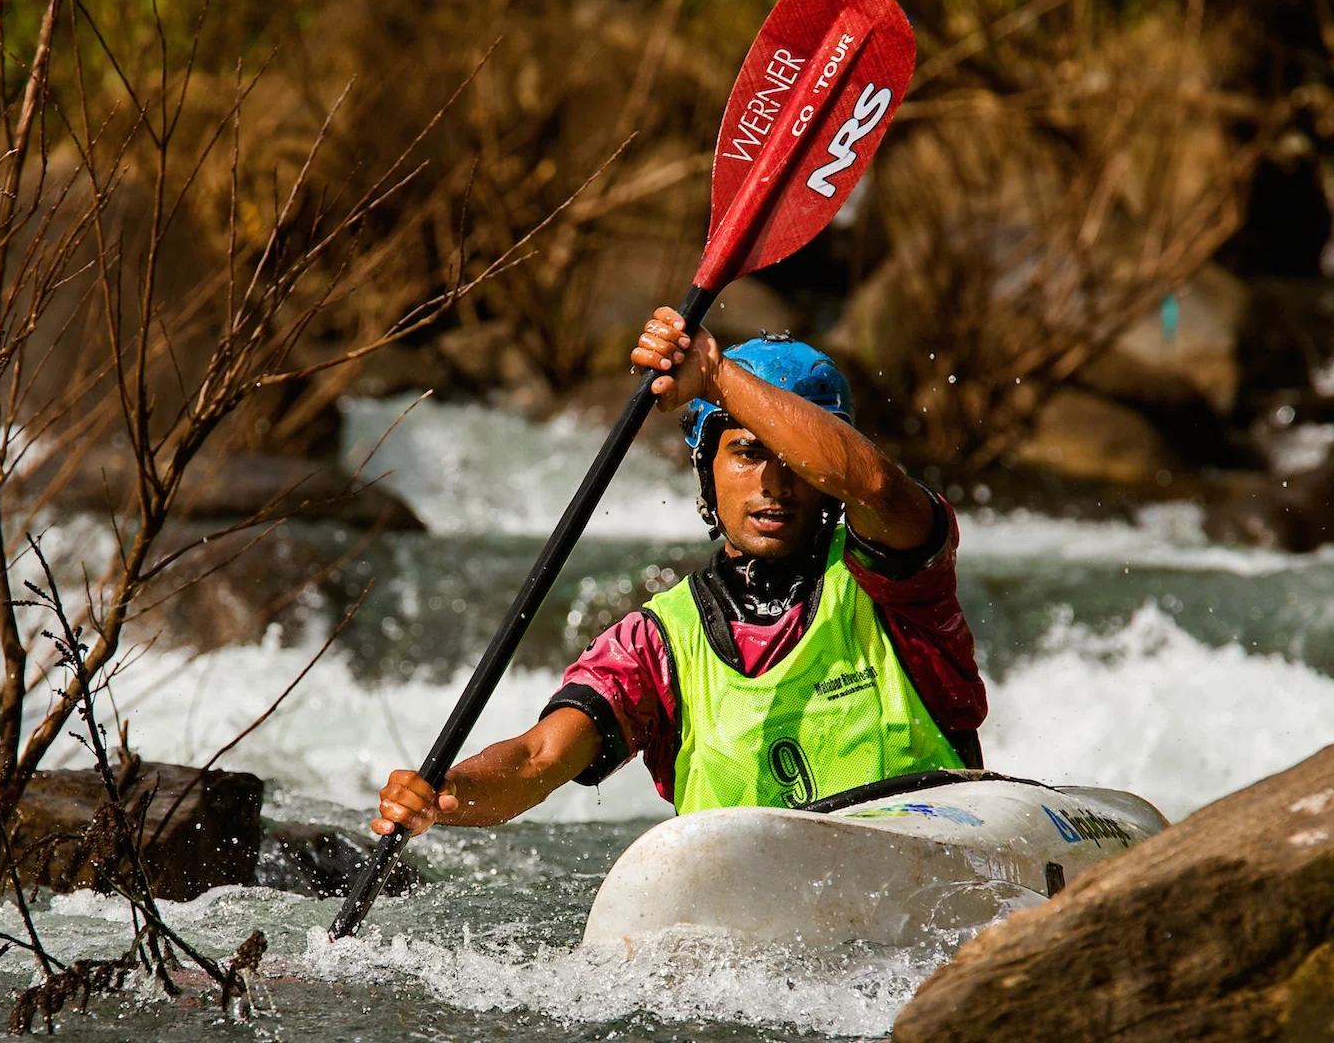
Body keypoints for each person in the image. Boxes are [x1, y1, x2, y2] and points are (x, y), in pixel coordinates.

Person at [371, 306, 988, 838]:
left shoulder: (894, 573)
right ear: (706, 471)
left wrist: (717, 376)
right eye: (746, 453)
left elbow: (875, 483)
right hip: (754, 931)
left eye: (795, 460)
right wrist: (449, 794)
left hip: (925, 870)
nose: (773, 484)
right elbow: (539, 757)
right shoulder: (654, 642)